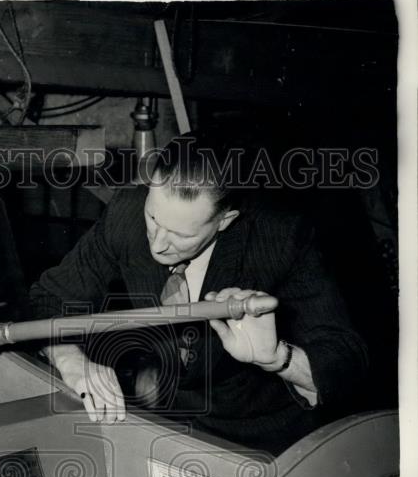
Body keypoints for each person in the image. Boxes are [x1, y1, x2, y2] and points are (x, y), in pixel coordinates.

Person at [29, 134, 368, 454]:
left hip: (262, 442)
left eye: (180, 235)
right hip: (168, 423)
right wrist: (70, 359)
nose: (158, 244)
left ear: (225, 220)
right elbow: (48, 296)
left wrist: (277, 357)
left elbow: (347, 363)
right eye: (153, 218)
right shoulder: (127, 214)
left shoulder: (280, 239)